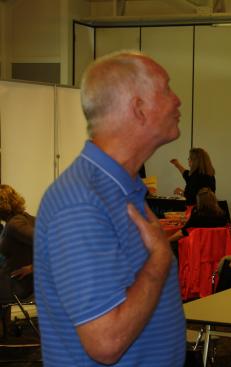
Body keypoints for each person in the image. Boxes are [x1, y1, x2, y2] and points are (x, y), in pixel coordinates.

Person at [33, 51, 186, 365]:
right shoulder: (80, 202)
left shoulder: (121, 190)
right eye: (167, 89)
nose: (177, 100)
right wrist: (158, 260)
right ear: (138, 108)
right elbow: (106, 342)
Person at [0, 185, 35, 337]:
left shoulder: (15, 224)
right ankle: (4, 330)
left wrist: (33, 267)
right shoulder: (24, 218)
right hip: (19, 281)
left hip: (18, 283)